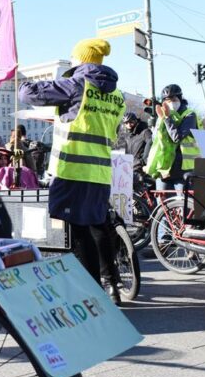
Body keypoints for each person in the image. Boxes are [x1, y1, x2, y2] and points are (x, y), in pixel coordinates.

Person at [19, 38, 126, 304]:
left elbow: (28, 94)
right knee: (100, 226)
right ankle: (112, 284)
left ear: (81, 59)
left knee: (78, 230)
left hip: (72, 169)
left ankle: (92, 292)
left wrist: (19, 81)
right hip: (100, 171)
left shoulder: (78, 84)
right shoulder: (116, 95)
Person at [145, 84, 200, 192]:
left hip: (183, 170)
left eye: (173, 99)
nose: (170, 103)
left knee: (182, 204)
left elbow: (177, 137)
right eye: (167, 100)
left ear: (179, 99)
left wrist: (167, 118)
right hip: (164, 169)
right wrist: (146, 159)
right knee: (162, 204)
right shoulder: (161, 115)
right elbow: (154, 140)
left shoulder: (189, 115)